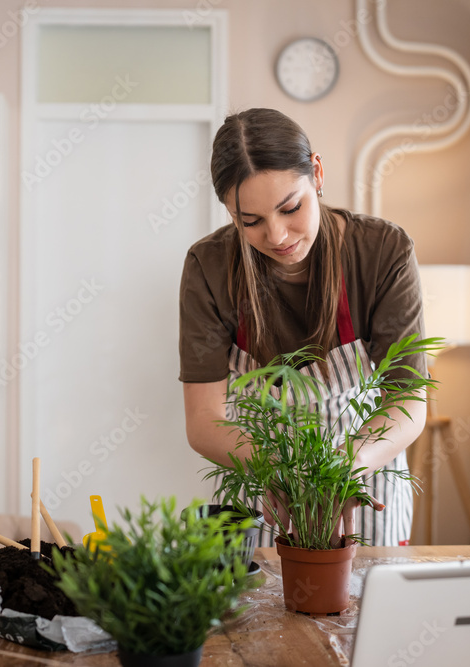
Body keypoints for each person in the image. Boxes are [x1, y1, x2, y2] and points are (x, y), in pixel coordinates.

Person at [179, 108, 428, 547]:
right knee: (263, 607)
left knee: (368, 604)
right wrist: (274, 468)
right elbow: (204, 419)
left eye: (290, 207)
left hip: (366, 463)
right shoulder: (209, 267)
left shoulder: (382, 252)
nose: (276, 236)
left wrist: (344, 469)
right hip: (259, 466)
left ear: (316, 172)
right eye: (249, 221)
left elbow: (407, 400)